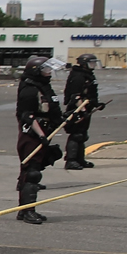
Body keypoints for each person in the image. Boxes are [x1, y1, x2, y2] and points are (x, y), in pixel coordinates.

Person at [14, 54, 64, 224]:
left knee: (34, 171)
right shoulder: (30, 89)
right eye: (46, 69)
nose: (49, 72)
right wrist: (41, 135)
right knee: (31, 173)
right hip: (32, 135)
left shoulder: (43, 87)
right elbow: (27, 115)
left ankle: (25, 210)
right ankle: (27, 210)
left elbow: (50, 110)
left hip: (43, 132)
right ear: (37, 71)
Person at [63, 53, 105, 169]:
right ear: (84, 64)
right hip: (77, 109)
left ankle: (80, 159)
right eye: (91, 63)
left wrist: (97, 104)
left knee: (82, 135)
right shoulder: (78, 76)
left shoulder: (88, 75)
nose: (93, 65)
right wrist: (82, 110)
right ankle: (70, 160)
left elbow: (91, 93)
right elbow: (75, 96)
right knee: (76, 134)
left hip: (86, 108)